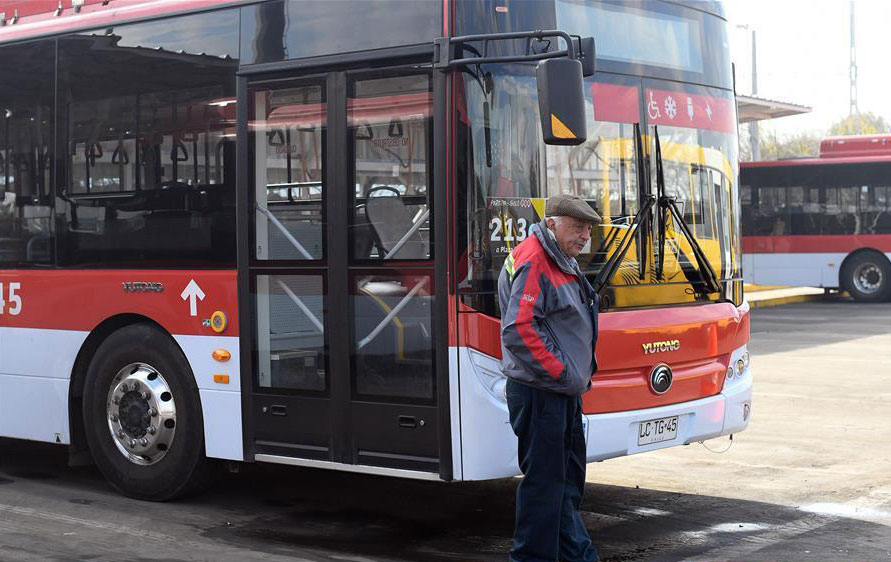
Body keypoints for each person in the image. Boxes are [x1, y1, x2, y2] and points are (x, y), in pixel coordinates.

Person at [498, 193, 602, 562]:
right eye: (577, 227)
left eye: (588, 229)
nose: (584, 236)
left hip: (559, 393)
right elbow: (519, 330)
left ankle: (577, 556)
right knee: (545, 488)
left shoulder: (560, 259)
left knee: (566, 485)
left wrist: (573, 378)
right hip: (542, 393)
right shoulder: (537, 261)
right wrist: (562, 372)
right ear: (552, 222)